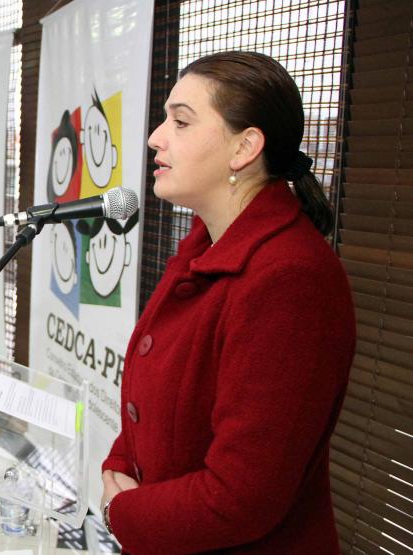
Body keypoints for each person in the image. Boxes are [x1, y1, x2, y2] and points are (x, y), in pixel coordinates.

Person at [99, 51, 355, 554]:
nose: (156, 136)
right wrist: (119, 464)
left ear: (245, 147)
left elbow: (242, 497)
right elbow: (158, 408)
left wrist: (122, 512)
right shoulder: (206, 246)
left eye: (181, 121)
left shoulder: (290, 280)